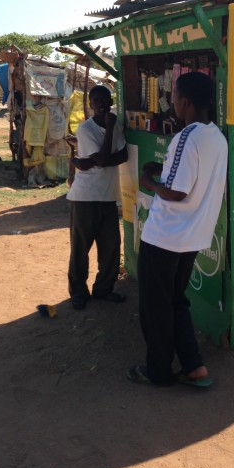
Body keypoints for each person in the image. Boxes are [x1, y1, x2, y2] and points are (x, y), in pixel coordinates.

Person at [127, 72, 228, 388]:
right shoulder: (217, 138)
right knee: (175, 301)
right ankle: (193, 365)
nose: (172, 102)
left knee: (155, 307)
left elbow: (178, 192)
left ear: (185, 101)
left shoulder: (187, 136)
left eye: (174, 96)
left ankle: (158, 371)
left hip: (165, 235)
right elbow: (189, 179)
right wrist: (163, 171)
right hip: (192, 237)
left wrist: (147, 183)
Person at [66, 85, 128, 310]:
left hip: (108, 197)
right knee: (81, 248)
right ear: (91, 104)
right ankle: (79, 291)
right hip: (85, 197)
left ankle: (103, 289)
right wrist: (109, 131)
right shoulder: (85, 129)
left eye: (105, 100)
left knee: (111, 247)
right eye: (96, 101)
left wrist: (89, 161)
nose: (101, 104)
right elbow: (104, 159)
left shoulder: (116, 124)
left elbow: (122, 155)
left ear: (111, 102)